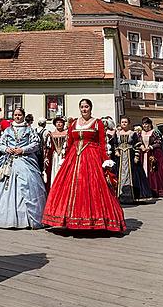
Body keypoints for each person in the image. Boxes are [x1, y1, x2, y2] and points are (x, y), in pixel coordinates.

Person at [42, 99, 126, 232]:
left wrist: (106, 160)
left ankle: (94, 219)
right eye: (82, 107)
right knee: (70, 187)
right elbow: (69, 142)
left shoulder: (97, 123)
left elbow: (102, 143)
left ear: (90, 108)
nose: (84, 109)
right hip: (73, 158)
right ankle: (69, 219)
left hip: (92, 157)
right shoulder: (74, 123)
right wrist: (64, 158)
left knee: (92, 187)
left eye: (86, 107)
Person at [0, 107, 47, 229]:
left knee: (28, 181)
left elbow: (36, 144)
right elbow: (1, 143)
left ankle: (28, 218)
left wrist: (23, 150)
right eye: (15, 115)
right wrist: (7, 149)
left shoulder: (29, 130)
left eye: (19, 115)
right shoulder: (8, 130)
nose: (17, 117)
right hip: (8, 160)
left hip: (24, 159)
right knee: (0, 182)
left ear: (23, 116)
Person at [114, 116, 152, 204]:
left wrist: (136, 156)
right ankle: (119, 195)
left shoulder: (132, 133)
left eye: (125, 122)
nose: (124, 124)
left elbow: (137, 145)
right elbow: (115, 143)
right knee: (119, 174)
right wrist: (116, 150)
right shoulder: (117, 133)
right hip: (120, 157)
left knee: (133, 174)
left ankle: (132, 195)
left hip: (130, 155)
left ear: (129, 123)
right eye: (122, 122)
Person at [139, 118, 163, 197]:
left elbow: (159, 142)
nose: (145, 125)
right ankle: (144, 189)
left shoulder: (154, 132)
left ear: (150, 124)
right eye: (144, 124)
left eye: (146, 124)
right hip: (142, 154)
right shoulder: (140, 133)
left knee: (153, 171)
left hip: (152, 154)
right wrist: (141, 146)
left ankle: (153, 189)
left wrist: (150, 147)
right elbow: (137, 141)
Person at [44, 116, 67, 193]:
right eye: (57, 122)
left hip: (64, 156)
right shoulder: (51, 134)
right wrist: (46, 157)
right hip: (54, 157)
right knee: (55, 171)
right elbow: (47, 147)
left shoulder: (67, 134)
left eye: (61, 122)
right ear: (55, 124)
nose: (59, 124)